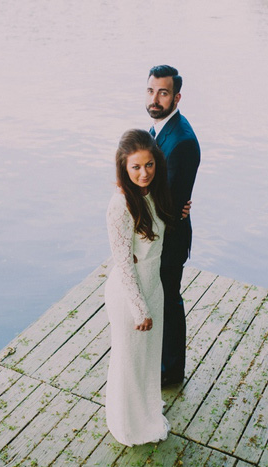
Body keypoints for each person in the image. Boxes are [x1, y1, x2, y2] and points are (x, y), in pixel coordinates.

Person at [104, 129, 173, 446]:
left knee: (147, 358)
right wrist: (139, 308)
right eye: (136, 167)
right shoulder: (120, 205)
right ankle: (127, 423)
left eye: (149, 165)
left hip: (152, 285)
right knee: (129, 360)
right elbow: (123, 264)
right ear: (123, 167)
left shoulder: (153, 194)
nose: (144, 173)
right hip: (130, 295)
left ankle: (145, 411)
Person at [146, 65, 201, 387]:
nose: (155, 98)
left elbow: (170, 207)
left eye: (163, 92)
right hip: (160, 232)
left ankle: (171, 371)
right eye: (151, 91)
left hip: (170, 236)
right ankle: (162, 360)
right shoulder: (157, 129)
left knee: (168, 300)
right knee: (161, 298)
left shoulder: (181, 141)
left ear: (176, 97)